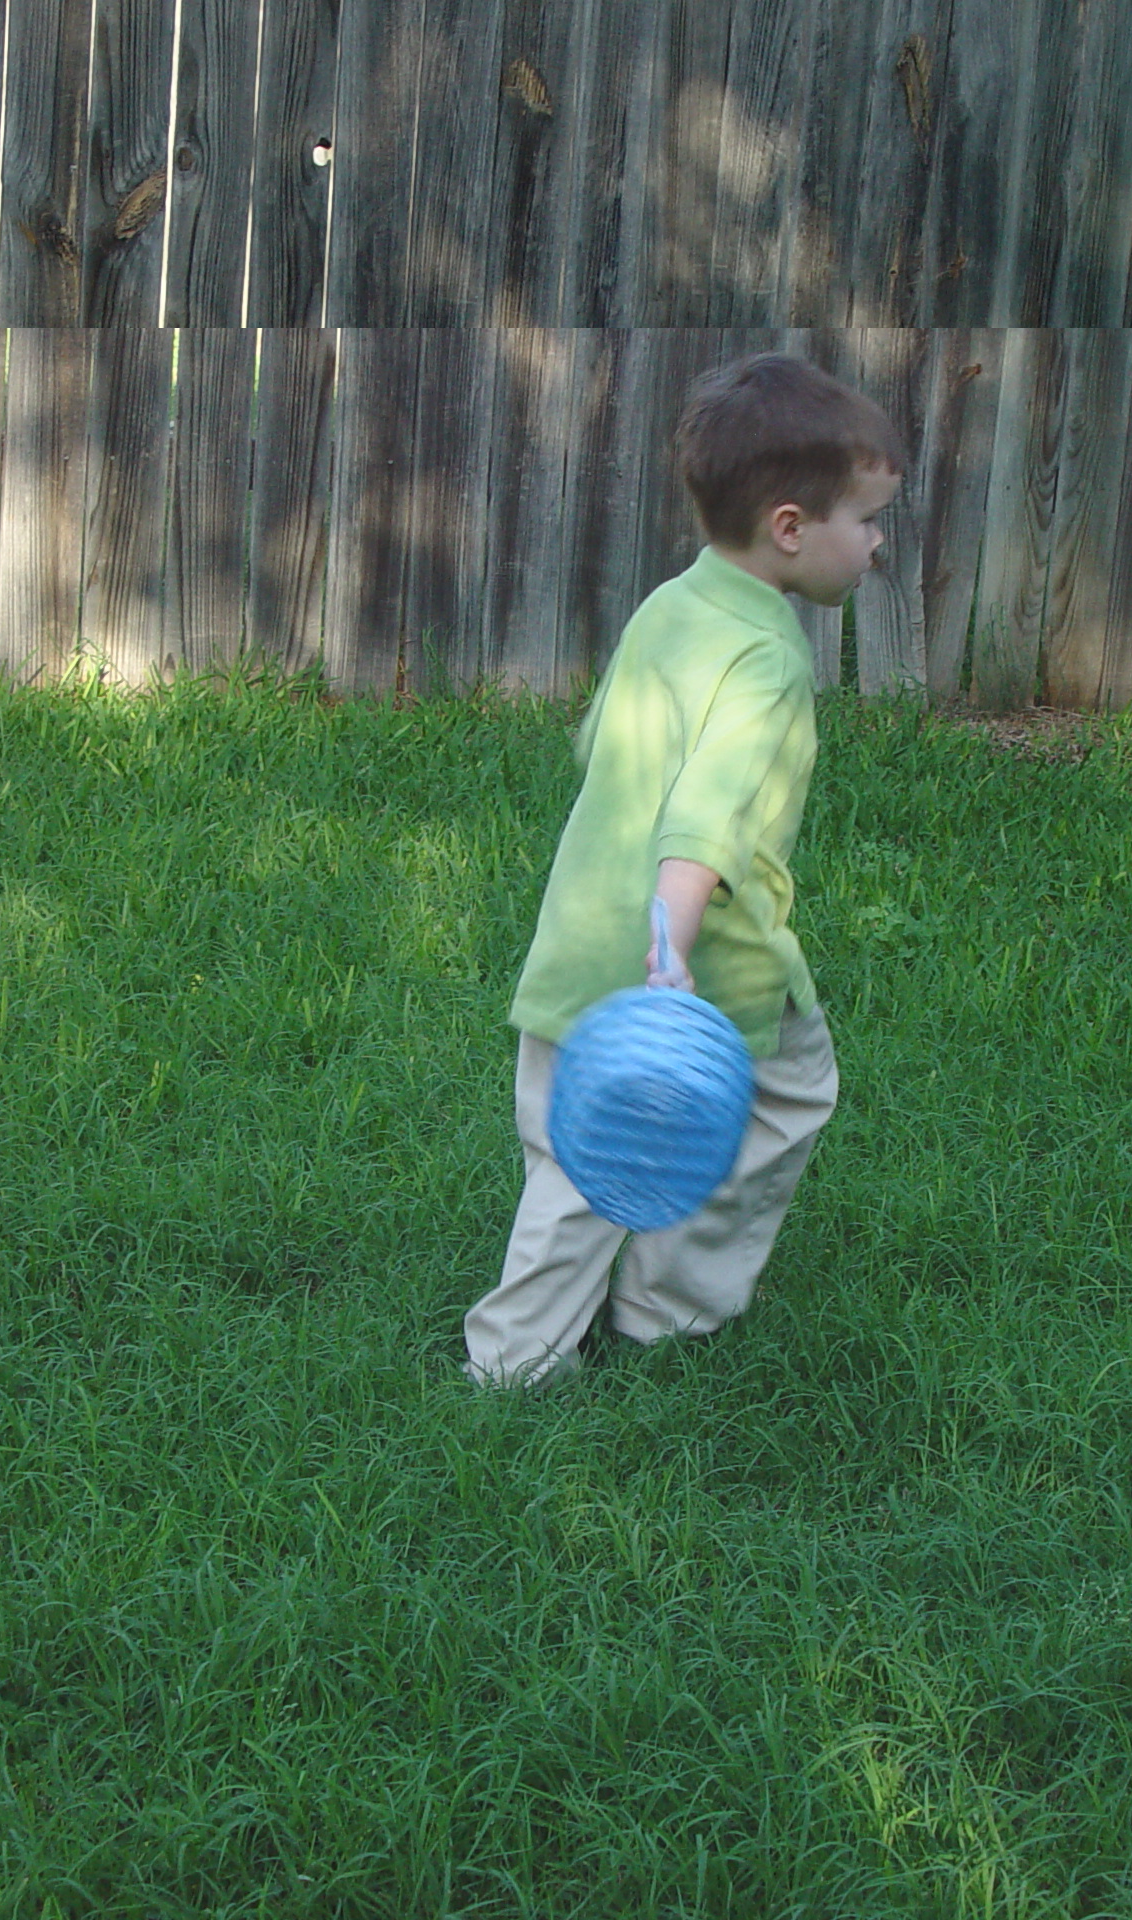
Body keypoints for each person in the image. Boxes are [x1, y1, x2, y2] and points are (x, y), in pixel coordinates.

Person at [463, 352, 907, 1386]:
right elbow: (703, 826)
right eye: (869, 520)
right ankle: (670, 1308)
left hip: (578, 948)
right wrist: (672, 951)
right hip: (704, 973)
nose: (877, 546)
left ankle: (517, 1359)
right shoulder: (767, 662)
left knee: (575, 1159)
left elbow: (604, 747)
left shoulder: (671, 604)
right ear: (792, 529)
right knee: (784, 1098)